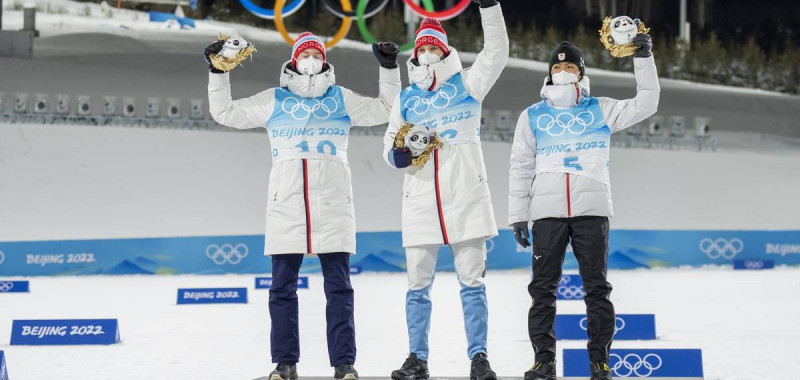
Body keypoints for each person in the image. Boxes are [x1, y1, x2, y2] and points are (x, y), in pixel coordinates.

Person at [204, 32, 401, 380]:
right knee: (281, 289)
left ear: (324, 61)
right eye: (304, 53)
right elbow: (224, 112)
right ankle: (285, 364)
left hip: (334, 203)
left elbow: (387, 109)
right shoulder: (274, 99)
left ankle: (344, 365)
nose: (310, 58)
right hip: (287, 204)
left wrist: (388, 69)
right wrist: (219, 71)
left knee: (339, 289)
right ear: (293, 61)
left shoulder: (341, 98)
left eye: (316, 53)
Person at [507, 36, 660, 380]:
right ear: (548, 73)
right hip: (546, 213)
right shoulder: (531, 116)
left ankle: (599, 361)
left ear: (581, 73)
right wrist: (517, 214)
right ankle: (543, 361)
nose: (562, 72)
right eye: (557, 67)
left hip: (592, 210)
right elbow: (520, 166)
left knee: (597, 288)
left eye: (570, 66)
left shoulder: (600, 108)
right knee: (542, 290)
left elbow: (647, 103)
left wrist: (644, 58)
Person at [381, 1, 508, 379]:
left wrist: (490, 8)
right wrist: (401, 155)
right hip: (419, 201)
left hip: (466, 198)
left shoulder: (468, 83)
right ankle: (417, 359)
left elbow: (497, 52)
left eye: (434, 47)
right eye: (422, 47)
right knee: (417, 286)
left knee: (472, 282)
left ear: (446, 50)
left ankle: (479, 357)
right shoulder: (406, 98)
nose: (428, 53)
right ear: (415, 52)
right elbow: (388, 147)